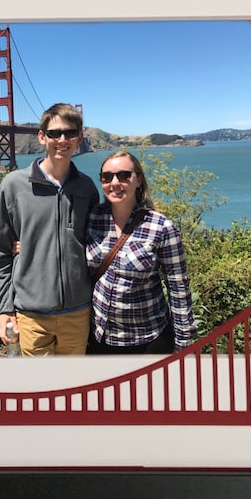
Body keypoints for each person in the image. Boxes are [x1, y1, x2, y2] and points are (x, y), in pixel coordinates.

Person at [0, 103, 99, 356]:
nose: (63, 140)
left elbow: (97, 243)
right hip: (31, 315)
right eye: (54, 134)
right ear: (41, 137)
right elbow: (0, 253)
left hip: (78, 312)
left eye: (70, 133)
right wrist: (5, 308)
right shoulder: (14, 185)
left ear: (80, 138)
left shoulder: (87, 188)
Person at [86, 150, 196, 354]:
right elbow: (61, 241)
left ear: (139, 180)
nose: (115, 182)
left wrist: (184, 343)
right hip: (99, 339)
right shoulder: (92, 218)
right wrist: (23, 243)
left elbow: (178, 288)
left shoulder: (161, 227)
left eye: (124, 175)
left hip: (147, 340)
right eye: (107, 177)